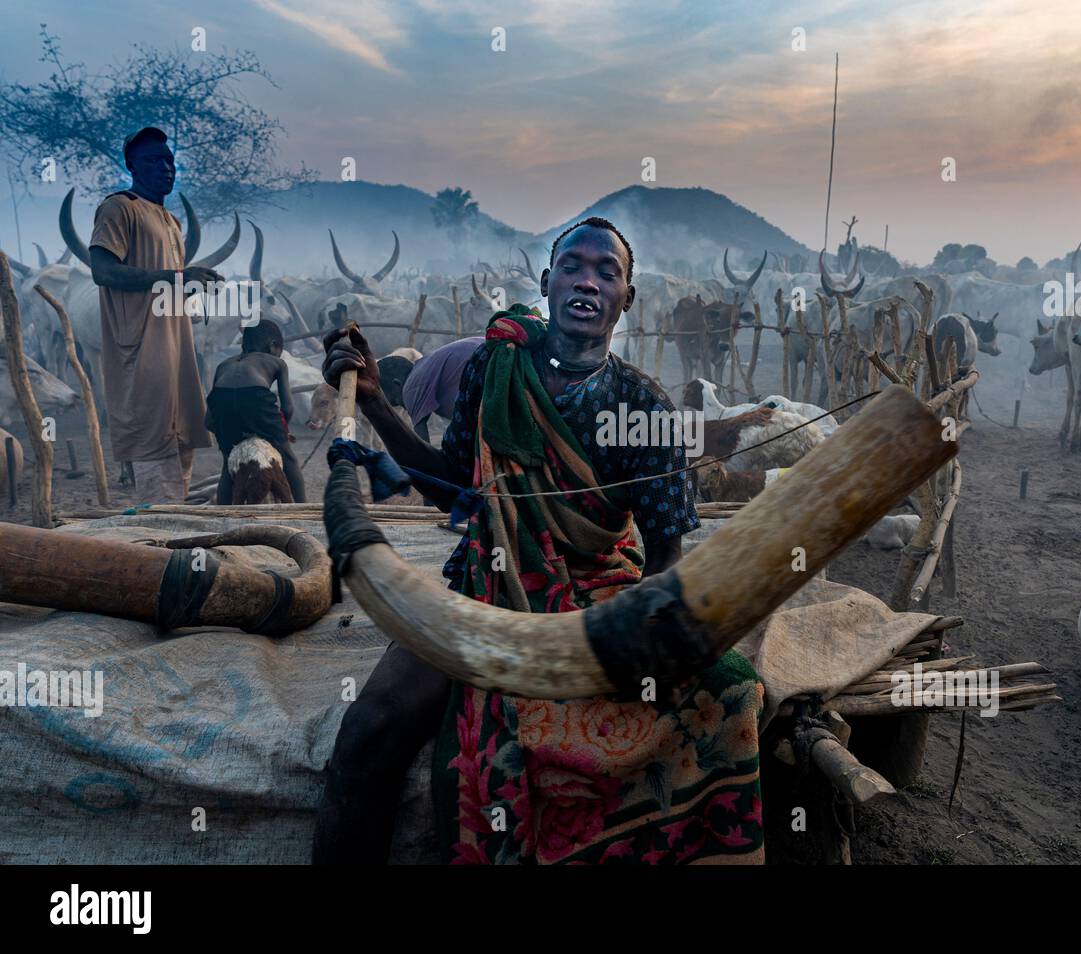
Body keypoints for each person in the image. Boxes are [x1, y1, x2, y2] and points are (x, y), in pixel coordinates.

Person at [314, 218, 764, 865]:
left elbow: (665, 554)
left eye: (607, 271)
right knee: (369, 729)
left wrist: (633, 638)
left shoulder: (646, 407)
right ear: (548, 282)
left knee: (731, 691)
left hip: (600, 598)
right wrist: (380, 407)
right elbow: (452, 486)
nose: (587, 279)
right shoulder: (495, 371)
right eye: (573, 265)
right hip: (484, 590)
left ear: (626, 299)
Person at [88, 126, 216, 502]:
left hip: (177, 351)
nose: (166, 168)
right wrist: (176, 276)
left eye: (170, 160)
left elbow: (168, 283)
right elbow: (103, 271)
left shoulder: (171, 221)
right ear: (131, 166)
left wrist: (190, 286)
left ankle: (176, 531)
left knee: (182, 443)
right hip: (142, 350)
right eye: (153, 160)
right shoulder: (119, 208)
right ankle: (160, 542)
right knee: (152, 441)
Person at [204, 319, 306, 503]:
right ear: (273, 345)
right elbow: (288, 407)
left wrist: (229, 437)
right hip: (255, 396)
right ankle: (302, 506)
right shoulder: (276, 362)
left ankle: (222, 513)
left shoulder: (224, 364)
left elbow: (209, 417)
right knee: (289, 459)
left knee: (229, 463)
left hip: (222, 402)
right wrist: (280, 434)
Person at [400, 336, 486, 440]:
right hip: (489, 349)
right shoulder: (425, 364)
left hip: (482, 359)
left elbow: (422, 442)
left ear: (396, 383)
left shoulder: (411, 388)